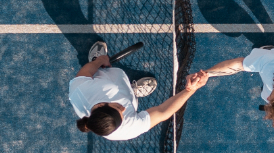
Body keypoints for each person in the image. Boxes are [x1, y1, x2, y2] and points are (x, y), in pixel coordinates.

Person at [71, 41, 210, 139]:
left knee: (93, 67)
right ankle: (132, 91)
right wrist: (191, 89)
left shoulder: (80, 92)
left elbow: (85, 72)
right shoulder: (126, 129)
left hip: (102, 74)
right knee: (131, 100)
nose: (124, 109)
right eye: (122, 114)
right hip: (123, 89)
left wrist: (99, 61)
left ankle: (97, 60)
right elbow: (162, 111)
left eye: (117, 107)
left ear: (101, 104)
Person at [204, 45, 274, 134]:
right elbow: (238, 64)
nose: (268, 99)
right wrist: (206, 74)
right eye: (273, 98)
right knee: (265, 53)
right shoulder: (271, 62)